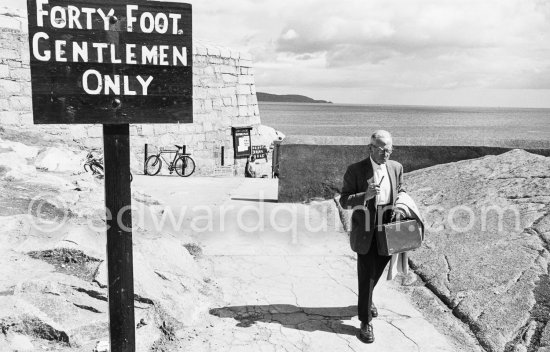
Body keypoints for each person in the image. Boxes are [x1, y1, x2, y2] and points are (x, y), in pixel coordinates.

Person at [339, 130, 405, 344]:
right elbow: (345, 201)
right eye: (382, 149)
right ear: (370, 148)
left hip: (388, 225)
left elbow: (401, 190)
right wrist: (364, 196)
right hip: (366, 226)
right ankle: (365, 321)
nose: (386, 154)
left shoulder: (396, 168)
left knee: (379, 268)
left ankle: (366, 300)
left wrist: (401, 206)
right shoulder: (356, 170)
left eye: (389, 150)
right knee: (366, 274)